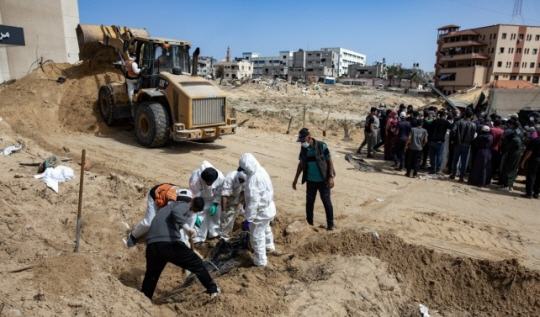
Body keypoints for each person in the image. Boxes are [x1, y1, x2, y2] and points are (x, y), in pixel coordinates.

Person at [140, 197, 220, 299]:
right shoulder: (183, 205)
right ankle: (213, 290)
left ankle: (144, 299)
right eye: (193, 210)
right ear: (191, 202)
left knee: (152, 276)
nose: (191, 212)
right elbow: (176, 212)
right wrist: (186, 227)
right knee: (197, 263)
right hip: (168, 244)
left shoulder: (166, 210)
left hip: (152, 246)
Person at [239, 153, 279, 267]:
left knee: (257, 236)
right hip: (268, 209)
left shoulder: (253, 180)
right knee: (266, 229)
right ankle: (269, 247)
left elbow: (253, 202)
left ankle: (260, 261)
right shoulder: (261, 171)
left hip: (260, 213)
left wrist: (248, 219)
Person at [293, 128, 335, 231]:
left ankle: (330, 226)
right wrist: (295, 179)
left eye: (303, 140)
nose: (302, 143)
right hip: (311, 181)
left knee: (326, 202)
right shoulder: (303, 149)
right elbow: (301, 164)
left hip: (323, 180)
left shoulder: (321, 146)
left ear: (309, 137)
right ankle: (309, 223)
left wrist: (330, 177)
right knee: (309, 202)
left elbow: (329, 161)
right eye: (301, 141)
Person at [126, 184, 192, 248]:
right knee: (149, 223)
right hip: (155, 196)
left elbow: (190, 216)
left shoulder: (192, 200)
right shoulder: (172, 201)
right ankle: (133, 235)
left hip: (166, 196)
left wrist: (187, 236)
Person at [189, 161, 225, 246]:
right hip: (200, 198)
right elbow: (194, 197)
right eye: (207, 183)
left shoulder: (220, 177)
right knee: (200, 217)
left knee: (216, 215)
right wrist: (195, 213)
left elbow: (220, 191)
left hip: (213, 198)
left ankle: (214, 234)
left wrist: (215, 203)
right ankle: (199, 238)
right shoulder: (195, 180)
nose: (209, 184)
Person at [218, 170, 246, 239]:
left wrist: (244, 206)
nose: (241, 181)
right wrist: (223, 211)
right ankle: (223, 235)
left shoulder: (247, 180)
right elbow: (224, 195)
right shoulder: (230, 178)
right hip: (229, 198)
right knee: (227, 216)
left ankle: (228, 232)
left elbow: (247, 193)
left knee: (233, 215)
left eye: (243, 181)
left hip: (239, 194)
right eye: (240, 180)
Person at [450, 111, 476, 182]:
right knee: (463, 161)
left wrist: (452, 139)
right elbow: (473, 136)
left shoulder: (458, 123)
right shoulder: (473, 125)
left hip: (458, 144)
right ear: (471, 116)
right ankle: (461, 176)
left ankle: (453, 174)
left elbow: (452, 131)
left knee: (455, 160)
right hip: (467, 145)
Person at [499, 120, 522, 191]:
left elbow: (508, 147)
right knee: (512, 170)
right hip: (515, 154)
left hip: (513, 155)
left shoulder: (514, 139)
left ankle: (507, 186)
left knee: (508, 169)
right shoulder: (518, 136)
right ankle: (510, 185)